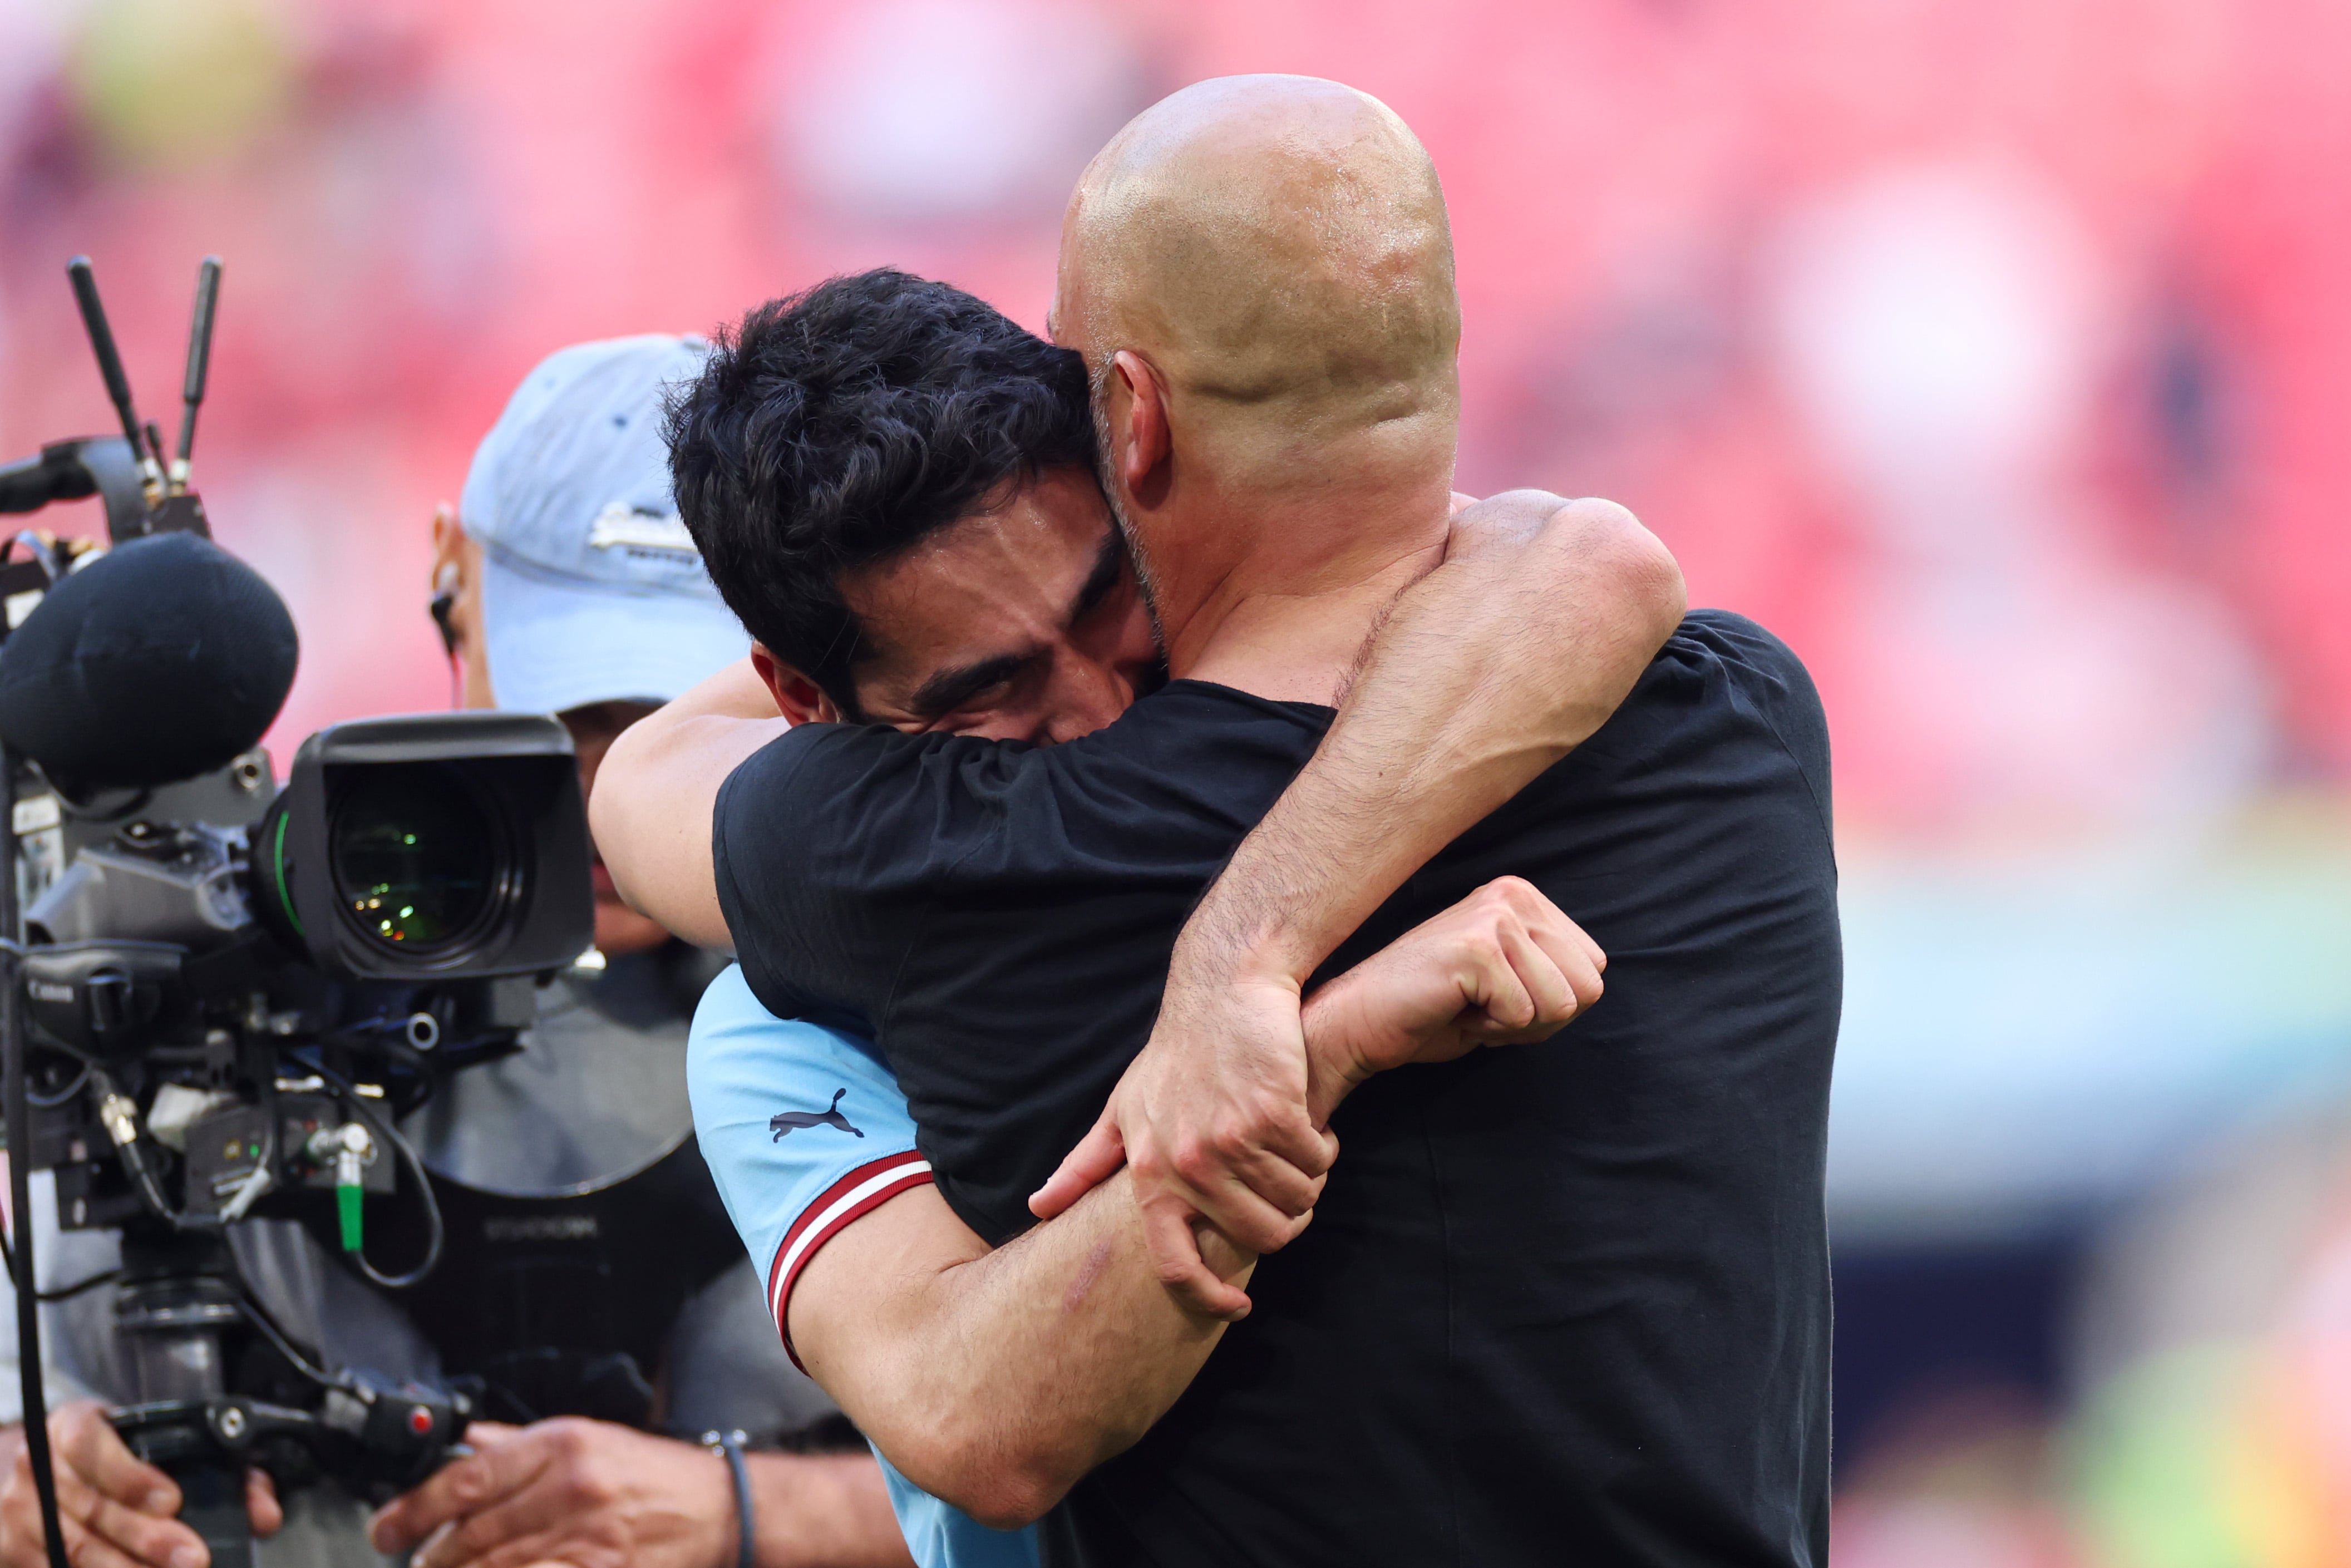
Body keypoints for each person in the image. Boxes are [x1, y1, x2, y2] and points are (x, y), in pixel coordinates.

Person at [601, 74, 1840, 1568]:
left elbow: (636, 785)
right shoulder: (1740, 722)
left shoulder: (932, 854)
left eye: (1094, 607)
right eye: (993, 683)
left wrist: (1241, 958)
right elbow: (1589, 555)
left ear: (1123, 417)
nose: (1088, 704)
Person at [0, 337, 910, 1568]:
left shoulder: (917, 958)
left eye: (677, 719)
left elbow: (1125, 1483)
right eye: (574, 712)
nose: (611, 787)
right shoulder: (187, 962)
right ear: (451, 576)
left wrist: (745, 1519)